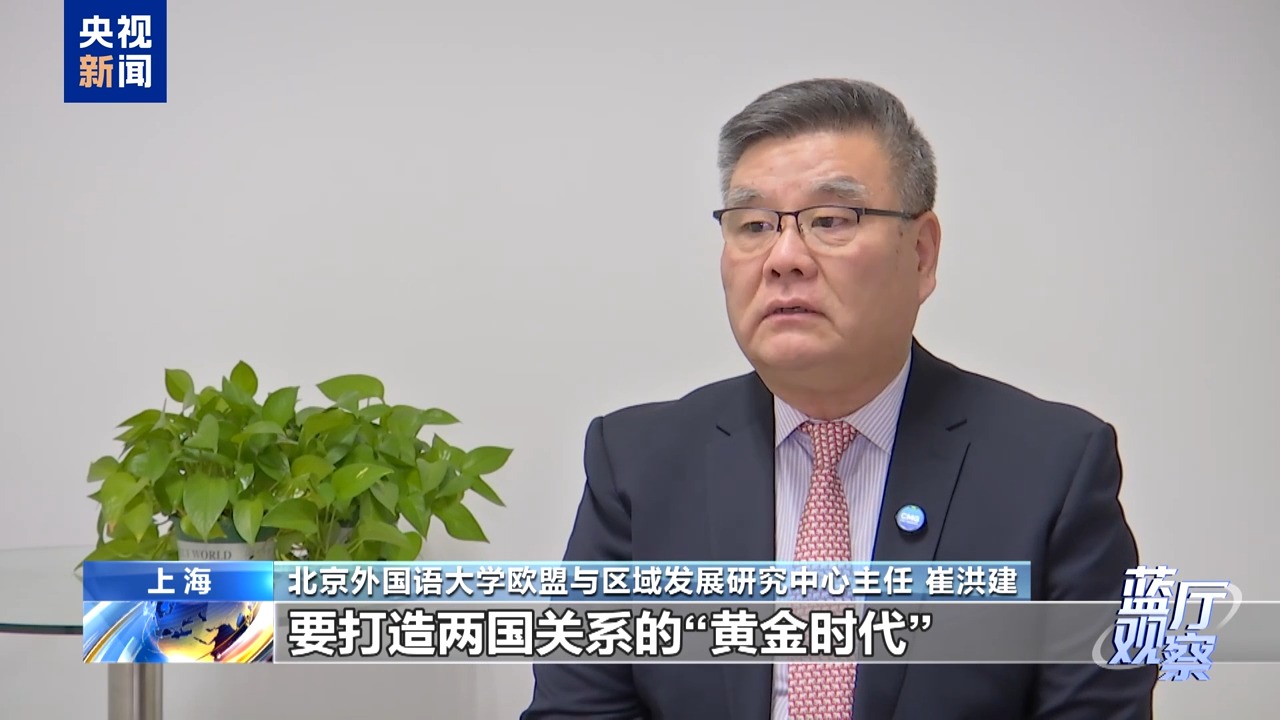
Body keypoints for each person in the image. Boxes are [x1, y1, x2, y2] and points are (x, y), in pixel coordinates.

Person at [521, 78, 1156, 720]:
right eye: (754, 225)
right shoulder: (638, 463)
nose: (784, 258)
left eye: (830, 220)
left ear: (922, 254)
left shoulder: (1053, 469)